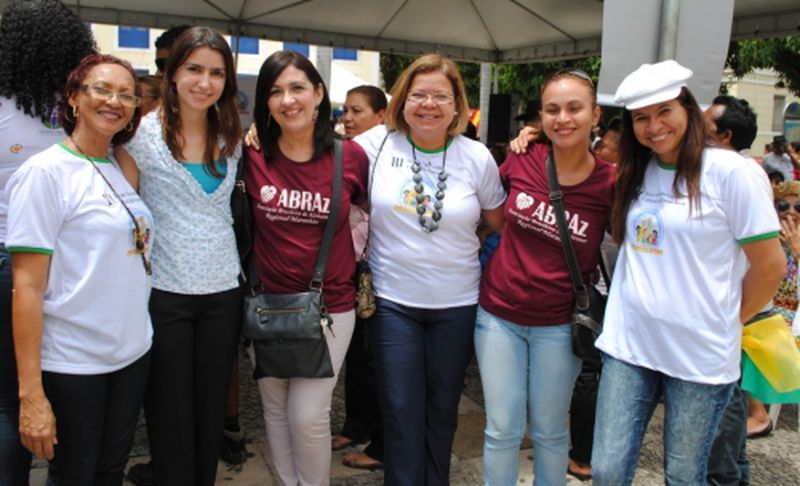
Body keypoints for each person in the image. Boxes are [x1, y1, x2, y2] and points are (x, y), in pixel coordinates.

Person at [592, 60, 785, 486]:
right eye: (641, 117)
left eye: (664, 111)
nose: (653, 126)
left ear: (688, 110)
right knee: (606, 471)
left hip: (699, 358)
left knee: (683, 474)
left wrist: (726, 319)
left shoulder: (732, 173)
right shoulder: (635, 171)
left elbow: (770, 266)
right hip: (630, 345)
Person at [354, 53, 506, 485]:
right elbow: (314, 153)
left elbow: (497, 222)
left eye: (440, 95)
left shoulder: (476, 157)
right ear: (402, 101)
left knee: (442, 411)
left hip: (457, 305)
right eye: (418, 94)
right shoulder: (376, 144)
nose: (428, 104)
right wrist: (258, 133)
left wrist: (462, 242)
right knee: (401, 410)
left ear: (457, 105)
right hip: (393, 304)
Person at [9, 52, 151, 485]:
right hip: (74, 362)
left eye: (126, 95)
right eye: (102, 89)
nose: (115, 100)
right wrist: (31, 394)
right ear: (73, 97)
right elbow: (27, 288)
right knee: (75, 473)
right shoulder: (45, 174)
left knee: (109, 471)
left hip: (130, 354)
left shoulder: (116, 165)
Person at [116, 26, 243, 486]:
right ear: (171, 73)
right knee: (169, 413)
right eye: (193, 69)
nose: (204, 82)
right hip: (164, 292)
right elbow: (120, 215)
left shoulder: (232, 135)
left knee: (210, 412)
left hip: (222, 290)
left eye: (216, 72)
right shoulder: (139, 138)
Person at [477, 68, 614, 486]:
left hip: (559, 324)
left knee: (551, 431)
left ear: (595, 116)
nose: (563, 118)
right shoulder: (523, 157)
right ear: (540, 117)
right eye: (552, 109)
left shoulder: (610, 182)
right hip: (498, 314)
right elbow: (490, 214)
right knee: (502, 428)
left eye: (575, 108)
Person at [245, 50, 369, 486]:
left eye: (298, 87)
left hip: (330, 307)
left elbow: (368, 210)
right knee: (275, 411)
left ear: (318, 93)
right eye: (275, 92)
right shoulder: (253, 154)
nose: (288, 100)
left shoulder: (350, 157)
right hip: (266, 307)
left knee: (308, 416)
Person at [0, 1, 95, 483]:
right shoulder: (81, 110)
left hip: (8, 261)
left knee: (8, 394)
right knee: (70, 386)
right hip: (75, 266)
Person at [701, 93, 766, 485]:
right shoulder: (728, 170)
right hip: (727, 313)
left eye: (705, 126)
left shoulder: (742, 175)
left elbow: (768, 263)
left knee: (723, 415)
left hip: (728, 313)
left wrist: (734, 316)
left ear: (724, 136)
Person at [334, 84, 388, 471]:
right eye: (345, 110)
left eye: (357, 110)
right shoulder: (351, 148)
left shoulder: (376, 147)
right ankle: (358, 424)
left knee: (372, 355)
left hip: (378, 267)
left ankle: (382, 443)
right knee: (357, 352)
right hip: (353, 263)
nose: (348, 118)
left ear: (381, 116)